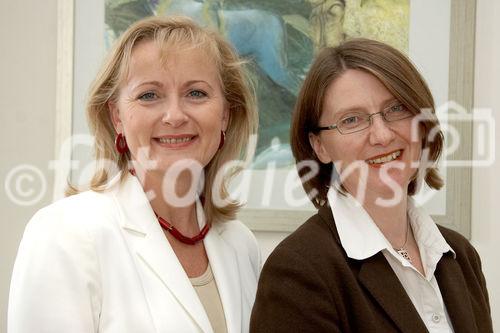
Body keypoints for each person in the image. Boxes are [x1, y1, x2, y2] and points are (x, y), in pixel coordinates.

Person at [9, 16, 260, 333]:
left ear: (224, 114)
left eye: (196, 93)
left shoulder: (241, 245)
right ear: (117, 118)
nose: (174, 116)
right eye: (149, 95)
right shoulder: (66, 233)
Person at [250, 38, 492, 332]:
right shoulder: (297, 273)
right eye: (352, 120)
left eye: (396, 109)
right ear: (319, 146)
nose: (382, 135)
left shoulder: (460, 256)